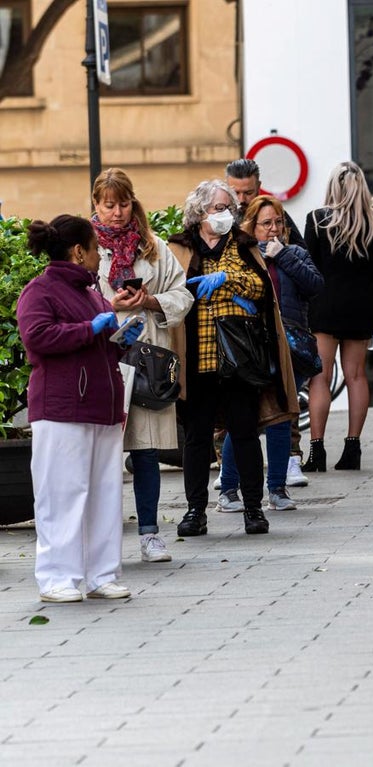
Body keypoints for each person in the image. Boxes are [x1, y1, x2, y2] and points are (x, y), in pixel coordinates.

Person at [17, 215, 143, 602]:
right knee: (62, 493)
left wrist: (120, 339)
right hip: (61, 408)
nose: (99, 256)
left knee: (104, 493)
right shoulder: (39, 292)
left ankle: (100, 574)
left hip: (101, 406)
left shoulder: (92, 293)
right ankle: (57, 577)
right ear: (78, 251)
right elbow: (37, 337)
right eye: (95, 250)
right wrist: (88, 329)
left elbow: (97, 343)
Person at [166, 180, 298, 537]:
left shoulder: (242, 245)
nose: (226, 214)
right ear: (199, 212)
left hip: (239, 359)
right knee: (196, 438)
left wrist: (227, 279)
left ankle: (254, 509)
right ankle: (195, 511)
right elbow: (169, 292)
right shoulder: (178, 248)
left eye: (228, 208)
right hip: (197, 359)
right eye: (218, 208)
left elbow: (260, 286)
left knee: (244, 433)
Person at [91, 168, 193, 564]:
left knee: (147, 449)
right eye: (108, 204)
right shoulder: (86, 247)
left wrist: (151, 301)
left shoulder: (153, 246)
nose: (117, 212)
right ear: (96, 205)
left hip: (148, 357)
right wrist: (111, 305)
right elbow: (75, 297)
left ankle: (150, 533)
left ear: (133, 202)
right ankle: (102, 539)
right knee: (103, 451)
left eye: (123, 203)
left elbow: (182, 294)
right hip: (104, 357)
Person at [216, 195, 323, 512]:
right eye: (266, 223)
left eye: (278, 222)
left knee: (280, 416)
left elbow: (316, 285)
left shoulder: (296, 253)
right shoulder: (239, 255)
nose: (274, 228)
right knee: (245, 419)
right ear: (251, 226)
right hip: (251, 347)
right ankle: (230, 490)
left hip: (290, 348)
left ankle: (277, 489)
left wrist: (284, 255)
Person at [303, 161, 373, 472]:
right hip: (362, 308)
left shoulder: (318, 219)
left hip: (324, 307)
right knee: (356, 376)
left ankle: (317, 450)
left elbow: (308, 266)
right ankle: (353, 448)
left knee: (320, 377)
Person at [225, 158, 306, 248]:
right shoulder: (217, 217)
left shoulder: (274, 213)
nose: (241, 200)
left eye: (248, 193)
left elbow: (302, 252)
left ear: (258, 186)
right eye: (235, 193)